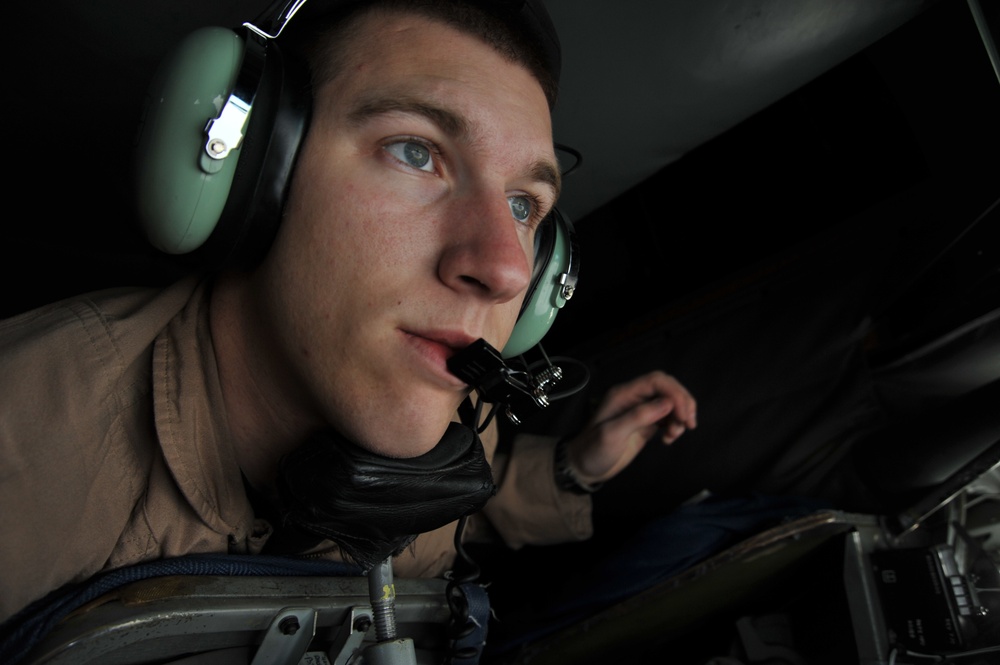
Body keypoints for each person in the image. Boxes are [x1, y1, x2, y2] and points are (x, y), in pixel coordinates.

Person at [0, 0, 697, 627]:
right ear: (252, 169)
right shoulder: (22, 456)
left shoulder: (447, 408)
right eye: (416, 152)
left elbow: (455, 504)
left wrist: (575, 469)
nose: (504, 267)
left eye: (523, 206)